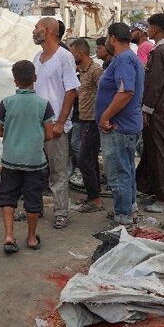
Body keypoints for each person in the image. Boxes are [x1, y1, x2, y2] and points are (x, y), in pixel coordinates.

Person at [0, 60, 54, 253]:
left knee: (8, 197)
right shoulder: (44, 104)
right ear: (34, 78)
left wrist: (12, 133)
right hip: (34, 161)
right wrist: (33, 136)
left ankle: (9, 236)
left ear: (15, 81)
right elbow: (50, 134)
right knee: (33, 199)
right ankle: (30, 238)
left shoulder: (6, 103)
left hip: (10, 159)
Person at [32, 17, 79, 230]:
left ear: (49, 30)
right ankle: (35, 208)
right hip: (37, 126)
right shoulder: (37, 57)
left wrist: (61, 121)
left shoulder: (64, 57)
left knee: (58, 172)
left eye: (37, 28)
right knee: (35, 170)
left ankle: (61, 212)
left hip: (55, 125)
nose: (34, 31)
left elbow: (71, 91)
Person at [96, 23, 144, 226]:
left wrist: (105, 117)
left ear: (112, 38)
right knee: (127, 169)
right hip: (126, 125)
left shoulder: (124, 59)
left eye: (107, 37)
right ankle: (129, 210)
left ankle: (123, 217)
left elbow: (125, 92)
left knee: (118, 173)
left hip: (118, 126)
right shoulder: (130, 58)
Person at [136, 13, 164, 213]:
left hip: (158, 111)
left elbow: (155, 85)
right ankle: (151, 189)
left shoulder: (159, 52)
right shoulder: (163, 50)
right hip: (161, 110)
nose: (147, 30)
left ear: (156, 29)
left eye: (149, 27)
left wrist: (146, 109)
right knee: (151, 151)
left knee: (159, 153)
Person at [69, 38, 104, 213]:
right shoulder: (81, 70)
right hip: (84, 119)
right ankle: (93, 195)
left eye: (72, 52)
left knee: (84, 159)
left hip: (93, 120)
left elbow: (105, 92)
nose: (71, 55)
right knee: (90, 159)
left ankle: (95, 200)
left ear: (81, 53)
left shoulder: (95, 70)